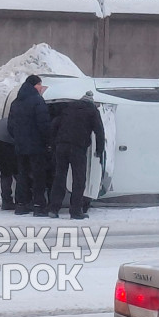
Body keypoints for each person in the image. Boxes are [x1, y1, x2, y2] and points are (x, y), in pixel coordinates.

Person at [48, 90, 105, 220]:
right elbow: (99, 131)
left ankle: (53, 209)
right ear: (91, 101)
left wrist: (53, 144)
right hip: (78, 148)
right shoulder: (92, 111)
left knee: (59, 177)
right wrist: (100, 150)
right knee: (79, 179)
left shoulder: (68, 108)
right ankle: (75, 211)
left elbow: (54, 126)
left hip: (61, 146)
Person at [7, 74, 51, 217]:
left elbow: (10, 126)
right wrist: (48, 141)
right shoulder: (38, 101)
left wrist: (19, 139)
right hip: (36, 147)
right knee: (39, 176)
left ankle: (20, 205)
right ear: (35, 85)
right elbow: (44, 125)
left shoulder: (16, 102)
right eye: (40, 85)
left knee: (22, 175)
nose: (41, 88)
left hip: (20, 146)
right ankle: (38, 206)